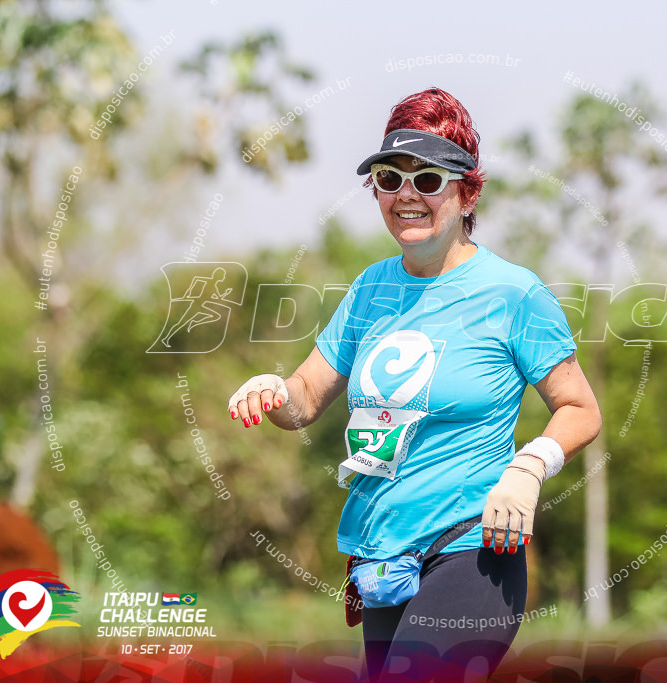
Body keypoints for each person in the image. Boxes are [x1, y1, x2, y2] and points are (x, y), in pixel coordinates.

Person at [227, 87, 601, 681]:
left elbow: (580, 408)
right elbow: (302, 401)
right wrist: (271, 389)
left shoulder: (514, 293)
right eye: (389, 177)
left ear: (467, 192)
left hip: (474, 550)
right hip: (382, 559)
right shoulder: (371, 289)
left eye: (428, 180)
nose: (407, 194)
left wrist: (529, 468)